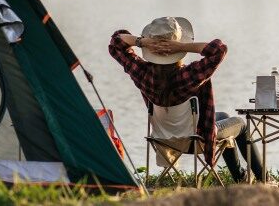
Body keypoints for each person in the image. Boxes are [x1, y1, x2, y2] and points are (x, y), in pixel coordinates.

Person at [108, 16, 266, 183]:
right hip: (196, 140)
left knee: (224, 116)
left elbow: (116, 42)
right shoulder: (189, 75)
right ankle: (262, 179)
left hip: (163, 140)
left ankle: (241, 176)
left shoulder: (141, 73)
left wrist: (142, 42)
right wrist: (182, 46)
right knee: (241, 124)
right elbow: (219, 49)